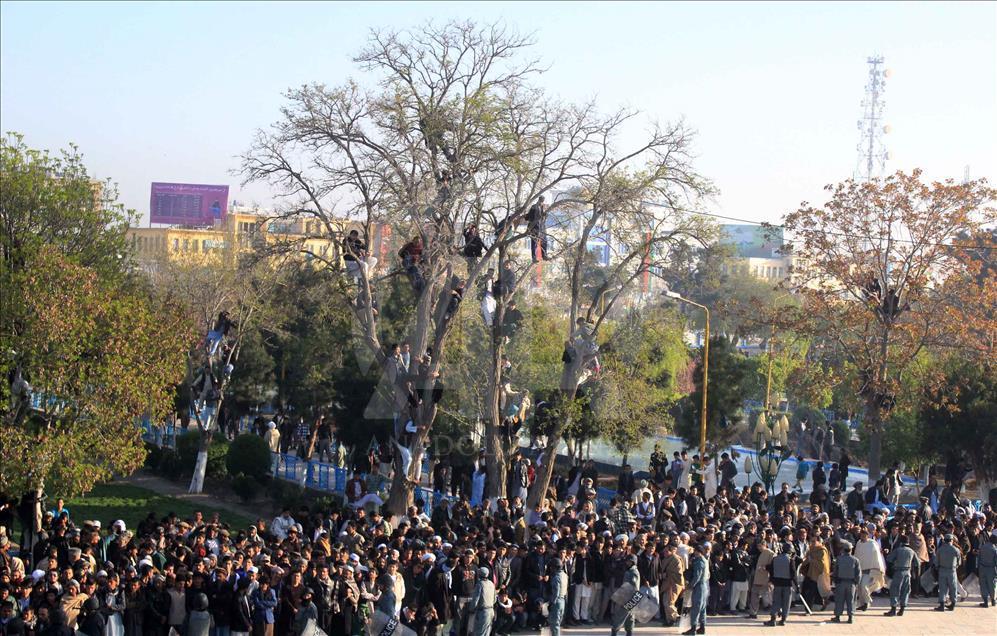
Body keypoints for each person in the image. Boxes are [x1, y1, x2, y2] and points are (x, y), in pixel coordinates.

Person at [884, 535, 918, 616]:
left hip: (898, 572)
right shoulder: (912, 551)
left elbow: (889, 559)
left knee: (895, 590)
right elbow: (917, 563)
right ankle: (902, 609)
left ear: (901, 542)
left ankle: (893, 609)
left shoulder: (898, 550)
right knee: (905, 591)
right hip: (908, 573)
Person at [765, 540, 796, 627]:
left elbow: (771, 571)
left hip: (777, 583)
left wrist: (771, 580)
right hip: (787, 584)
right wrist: (796, 585)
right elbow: (793, 574)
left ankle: (773, 619)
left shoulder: (775, 559)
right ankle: (783, 620)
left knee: (776, 601)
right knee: (786, 602)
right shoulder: (790, 560)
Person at [830, 540, 860, 624]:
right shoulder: (855, 560)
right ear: (851, 550)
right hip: (851, 583)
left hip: (840, 582)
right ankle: (850, 617)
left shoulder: (839, 559)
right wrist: (856, 582)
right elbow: (858, 573)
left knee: (839, 600)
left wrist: (835, 581)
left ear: (843, 549)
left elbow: (835, 571)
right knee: (851, 600)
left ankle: (837, 616)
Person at [684, 541, 710, 635]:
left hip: (699, 586)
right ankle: (702, 628)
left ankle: (693, 629)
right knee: (703, 608)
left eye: (696, 551)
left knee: (696, 607)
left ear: (700, 552)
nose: (695, 552)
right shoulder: (705, 560)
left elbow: (697, 576)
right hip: (704, 586)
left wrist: (690, 586)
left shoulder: (699, 561)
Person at [610, 554, 639, 636]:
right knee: (629, 616)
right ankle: (629, 633)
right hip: (631, 598)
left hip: (629, 598)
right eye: (627, 561)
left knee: (621, 615)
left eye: (629, 561)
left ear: (633, 562)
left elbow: (634, 587)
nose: (627, 563)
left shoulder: (633, 572)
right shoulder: (630, 571)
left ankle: (614, 631)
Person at [934, 533, 962, 612]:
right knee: (953, 588)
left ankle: (942, 605)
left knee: (942, 588)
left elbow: (936, 562)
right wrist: (955, 566)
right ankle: (952, 604)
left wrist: (937, 568)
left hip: (942, 570)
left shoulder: (940, 549)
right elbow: (959, 562)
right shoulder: (955, 549)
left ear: (944, 540)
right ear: (952, 540)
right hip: (952, 571)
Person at [470, 566, 495, 636]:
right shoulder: (491, 583)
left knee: (479, 633)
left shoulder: (479, 584)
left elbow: (475, 599)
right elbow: (494, 599)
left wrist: (471, 609)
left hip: (483, 612)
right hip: (491, 611)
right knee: (487, 632)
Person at [525, 196, 549, 262]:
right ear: (539, 200)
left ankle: (544, 255)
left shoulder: (544, 207)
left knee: (544, 242)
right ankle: (534, 258)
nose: (541, 202)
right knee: (534, 243)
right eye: (541, 200)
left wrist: (545, 214)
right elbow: (529, 216)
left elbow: (546, 216)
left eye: (542, 201)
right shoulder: (534, 206)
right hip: (534, 228)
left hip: (542, 228)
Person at [979, 531, 997, 609]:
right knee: (992, 585)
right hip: (991, 569)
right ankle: (993, 600)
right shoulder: (994, 549)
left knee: (983, 585)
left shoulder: (983, 547)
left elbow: (978, 558)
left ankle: (985, 601)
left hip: (982, 568)